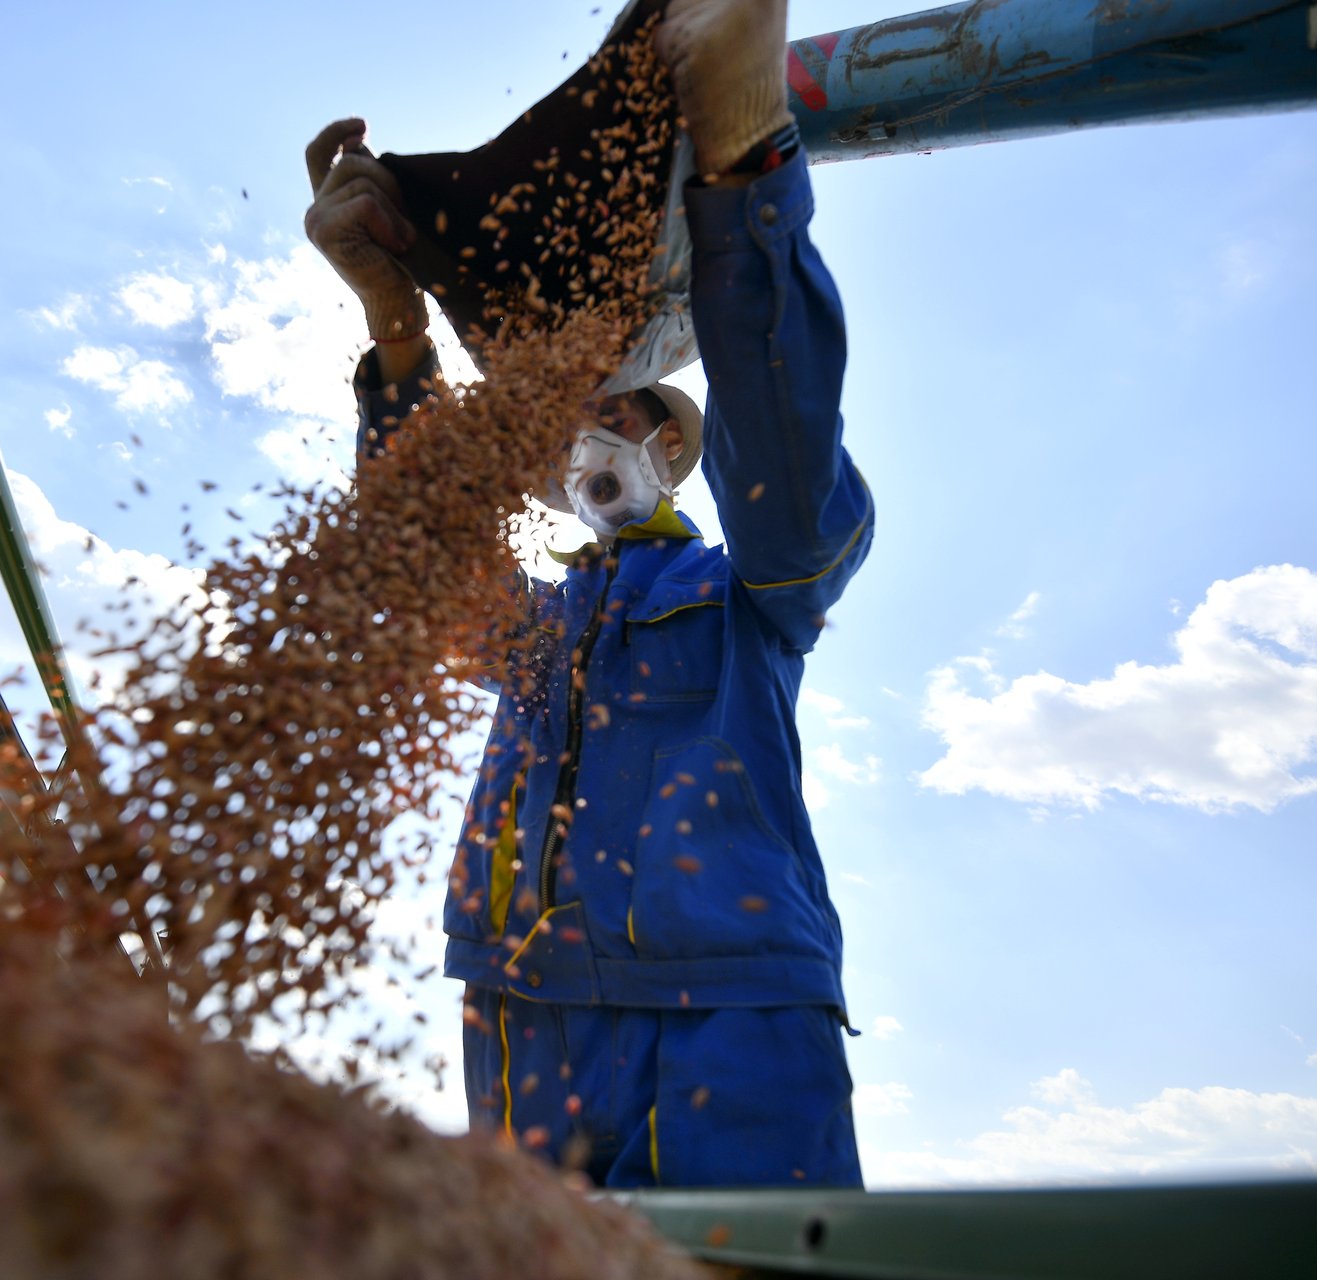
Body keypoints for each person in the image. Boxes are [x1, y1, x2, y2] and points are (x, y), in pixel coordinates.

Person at [304, 0, 872, 1188]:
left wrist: (742, 166)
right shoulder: (534, 629)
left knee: (747, 1262)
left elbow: (790, 493)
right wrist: (395, 321)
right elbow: (414, 571)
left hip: (730, 1005)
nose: (594, 431)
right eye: (575, 418)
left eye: (624, 410)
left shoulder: (745, 600)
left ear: (676, 449)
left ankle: (740, 136)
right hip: (524, 1013)